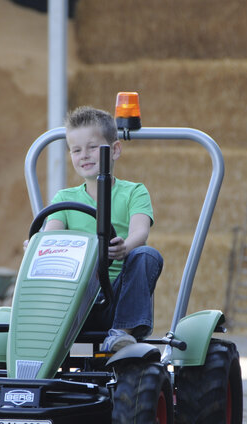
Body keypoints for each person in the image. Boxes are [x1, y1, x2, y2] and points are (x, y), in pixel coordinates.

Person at [43, 106, 163, 352]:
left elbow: (140, 232)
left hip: (115, 294)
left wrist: (124, 247)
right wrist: (37, 245)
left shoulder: (133, 192)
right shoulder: (64, 198)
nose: (84, 155)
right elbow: (50, 234)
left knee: (147, 255)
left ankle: (122, 333)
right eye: (76, 150)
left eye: (93, 147)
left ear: (115, 150)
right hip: (73, 296)